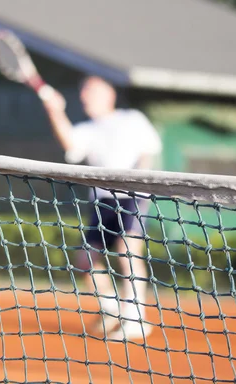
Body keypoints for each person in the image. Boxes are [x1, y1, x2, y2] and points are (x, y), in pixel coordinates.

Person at [40, 76, 162, 340]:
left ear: (108, 95)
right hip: (102, 200)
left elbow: (148, 152)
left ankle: (136, 318)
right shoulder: (88, 129)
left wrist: (136, 181)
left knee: (127, 251)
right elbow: (70, 144)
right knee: (85, 261)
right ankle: (112, 309)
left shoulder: (132, 119)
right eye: (83, 93)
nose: (85, 98)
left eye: (90, 92)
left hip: (132, 195)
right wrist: (55, 110)